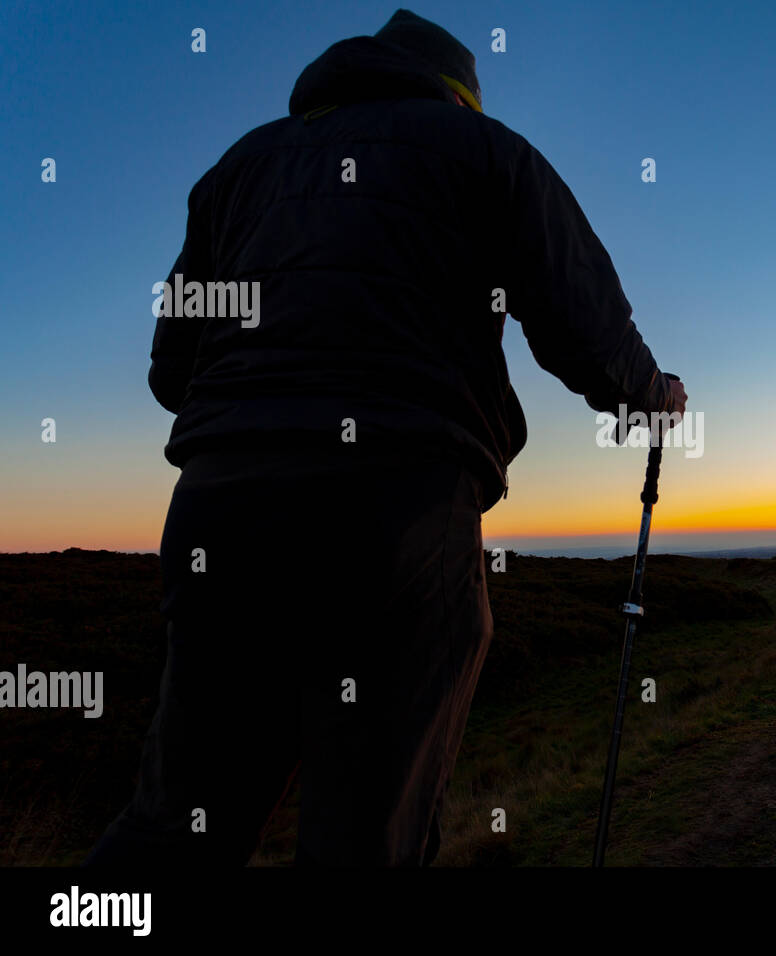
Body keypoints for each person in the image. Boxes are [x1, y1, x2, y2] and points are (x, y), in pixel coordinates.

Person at [85, 8, 687, 867]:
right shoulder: (484, 151)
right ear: (457, 94)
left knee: (177, 817)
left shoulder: (239, 170)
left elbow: (167, 371)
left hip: (220, 510)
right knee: (366, 833)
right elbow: (582, 320)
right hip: (398, 507)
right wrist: (653, 398)